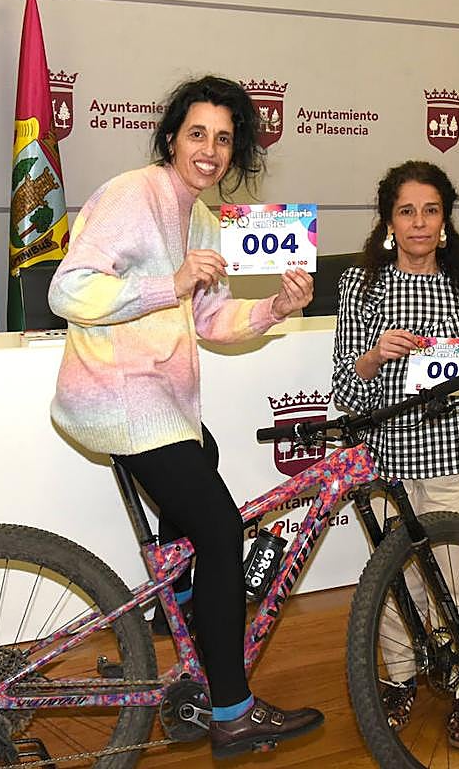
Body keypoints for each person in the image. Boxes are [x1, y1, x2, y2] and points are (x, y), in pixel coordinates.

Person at [49, 75, 322, 758]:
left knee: (207, 456)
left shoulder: (200, 217)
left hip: (165, 405)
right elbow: (68, 288)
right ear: (172, 137)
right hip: (120, 396)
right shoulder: (133, 192)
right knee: (220, 526)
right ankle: (230, 710)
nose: (210, 149)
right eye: (197, 133)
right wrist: (165, 283)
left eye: (224, 139)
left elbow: (210, 321)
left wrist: (274, 310)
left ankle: (177, 637)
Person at [332, 160, 459, 749]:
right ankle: (400, 680)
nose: (419, 223)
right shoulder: (359, 287)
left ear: (445, 220)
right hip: (389, 462)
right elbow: (344, 391)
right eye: (407, 211)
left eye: (431, 210)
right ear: (389, 221)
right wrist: (371, 357)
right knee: (395, 583)